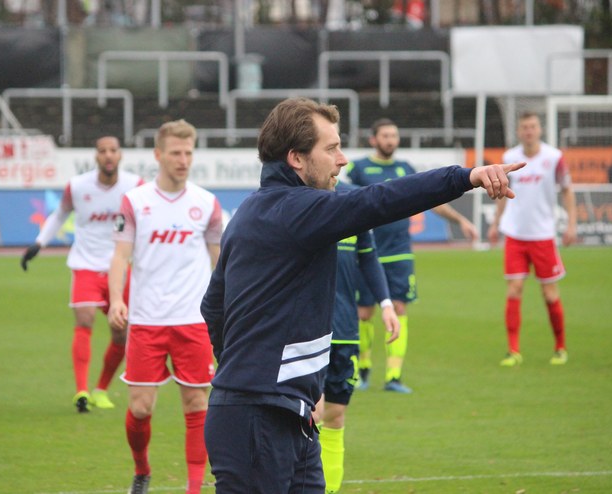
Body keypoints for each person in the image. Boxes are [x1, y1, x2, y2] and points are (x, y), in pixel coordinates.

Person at [200, 97, 524, 492]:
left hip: (284, 414)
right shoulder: (299, 209)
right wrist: (466, 177)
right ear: (297, 158)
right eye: (331, 148)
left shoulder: (253, 210)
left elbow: (212, 306)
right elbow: (380, 200)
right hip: (259, 420)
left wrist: (244, 372)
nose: (342, 160)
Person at [107, 120, 222, 494]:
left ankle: (194, 488)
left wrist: (229, 304)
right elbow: (120, 256)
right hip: (147, 320)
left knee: (196, 403)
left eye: (188, 153)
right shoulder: (135, 202)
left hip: (193, 320)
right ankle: (142, 470)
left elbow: (220, 261)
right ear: (158, 154)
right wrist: (116, 300)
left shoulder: (206, 203)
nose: (183, 160)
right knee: (141, 408)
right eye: (175, 153)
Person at [346, 118, 479, 394]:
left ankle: (394, 376)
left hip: (399, 253)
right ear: (373, 139)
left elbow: (430, 199)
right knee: (364, 312)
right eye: (385, 135)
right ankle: (363, 369)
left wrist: (460, 220)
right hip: (367, 251)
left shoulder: (405, 169)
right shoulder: (357, 168)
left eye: (394, 135)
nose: (390, 140)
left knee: (399, 309)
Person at [20, 135, 143, 413]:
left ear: (120, 155)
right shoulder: (77, 186)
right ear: (95, 156)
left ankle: (101, 389)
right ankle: (81, 391)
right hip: (85, 264)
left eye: (113, 150)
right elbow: (59, 215)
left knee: (121, 333)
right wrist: (39, 243)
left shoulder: (135, 186)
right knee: (84, 318)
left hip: (119, 267)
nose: (108, 155)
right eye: (102, 150)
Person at [317, 180, 400, 494]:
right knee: (311, 414)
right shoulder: (298, 199)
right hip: (306, 332)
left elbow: (368, 257)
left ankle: (329, 489)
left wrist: (386, 304)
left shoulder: (353, 201)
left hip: (345, 329)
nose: (338, 160)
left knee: (336, 416)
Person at [487, 111, 577, 366]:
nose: (529, 131)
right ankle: (513, 351)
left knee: (549, 293)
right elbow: (502, 193)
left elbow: (567, 190)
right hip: (515, 234)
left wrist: (571, 225)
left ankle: (560, 347)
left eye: (533, 126)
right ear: (518, 131)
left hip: (543, 235)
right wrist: (496, 223)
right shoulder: (509, 158)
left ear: (540, 129)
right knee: (514, 289)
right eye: (524, 127)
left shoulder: (554, 157)